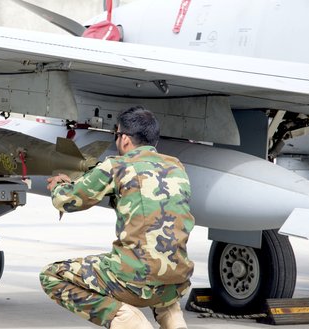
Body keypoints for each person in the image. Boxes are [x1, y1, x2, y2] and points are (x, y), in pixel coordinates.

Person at [41, 107, 194, 329]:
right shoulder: (176, 167)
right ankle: (174, 323)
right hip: (177, 282)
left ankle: (126, 320)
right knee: (161, 279)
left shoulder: (117, 165)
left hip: (134, 282)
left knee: (51, 275)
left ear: (124, 139)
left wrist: (60, 185)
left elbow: (66, 201)